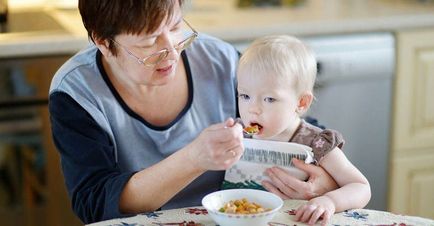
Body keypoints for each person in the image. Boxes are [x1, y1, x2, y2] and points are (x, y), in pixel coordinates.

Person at [48, 0, 338, 224]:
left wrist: (321, 182)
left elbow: (297, 128)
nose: (173, 52)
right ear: (103, 42)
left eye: (175, 27)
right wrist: (194, 158)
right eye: (149, 42)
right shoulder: (77, 93)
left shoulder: (219, 60)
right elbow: (94, 203)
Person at [236, 35, 371, 225]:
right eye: (245, 95)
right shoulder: (238, 134)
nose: (252, 109)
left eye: (269, 99)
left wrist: (329, 201)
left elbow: (360, 187)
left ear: (301, 102)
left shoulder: (316, 143)